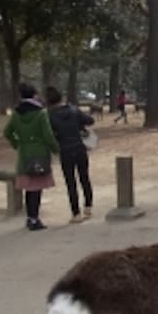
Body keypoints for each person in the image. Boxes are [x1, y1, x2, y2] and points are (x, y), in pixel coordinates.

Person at [3, 82, 59, 231]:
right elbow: (48, 136)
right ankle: (34, 219)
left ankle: (30, 218)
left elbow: (7, 132)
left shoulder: (16, 114)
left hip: (24, 155)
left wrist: (17, 144)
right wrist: (56, 149)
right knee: (37, 188)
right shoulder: (41, 113)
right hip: (40, 154)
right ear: (34, 95)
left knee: (29, 188)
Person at [46, 86, 95, 224]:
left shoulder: (49, 115)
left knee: (70, 182)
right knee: (84, 177)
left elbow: (50, 134)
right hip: (80, 148)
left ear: (49, 102)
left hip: (65, 150)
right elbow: (90, 121)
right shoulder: (74, 110)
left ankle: (76, 213)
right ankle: (88, 206)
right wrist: (79, 126)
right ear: (61, 98)